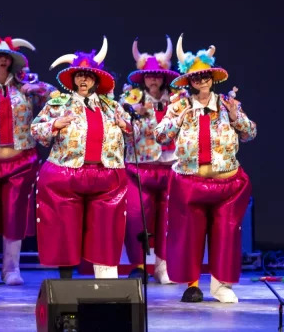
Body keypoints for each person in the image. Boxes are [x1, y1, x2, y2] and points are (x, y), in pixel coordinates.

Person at [156, 37, 256, 304]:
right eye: (196, 77)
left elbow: (250, 133)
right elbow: (160, 136)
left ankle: (221, 285)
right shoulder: (180, 106)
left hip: (227, 184)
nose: (201, 81)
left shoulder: (227, 104)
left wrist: (236, 117)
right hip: (191, 182)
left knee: (226, 232)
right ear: (190, 80)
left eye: (205, 76)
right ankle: (192, 284)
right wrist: (175, 120)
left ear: (212, 77)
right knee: (190, 233)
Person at [32, 38, 131, 280]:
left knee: (106, 229)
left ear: (96, 79)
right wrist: (55, 124)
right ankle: (65, 284)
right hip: (66, 174)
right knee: (65, 228)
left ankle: (107, 283)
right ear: (73, 79)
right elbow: (36, 130)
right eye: (79, 75)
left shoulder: (111, 107)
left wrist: (126, 126)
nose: (83, 80)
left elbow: (133, 134)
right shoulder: (59, 104)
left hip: (106, 175)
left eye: (88, 75)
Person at [0, 18, 54, 286]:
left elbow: (57, 98)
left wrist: (38, 89)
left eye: (7, 58)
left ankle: (11, 268)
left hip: (21, 159)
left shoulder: (26, 86)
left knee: (15, 213)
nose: (3, 62)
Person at [120, 36, 179, 285]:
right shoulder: (130, 99)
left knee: (168, 219)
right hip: (139, 166)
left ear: (164, 77)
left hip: (170, 166)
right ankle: (140, 265)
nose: (152, 80)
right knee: (135, 216)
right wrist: (133, 115)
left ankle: (163, 267)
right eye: (148, 76)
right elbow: (123, 129)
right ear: (142, 78)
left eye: (156, 75)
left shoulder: (178, 99)